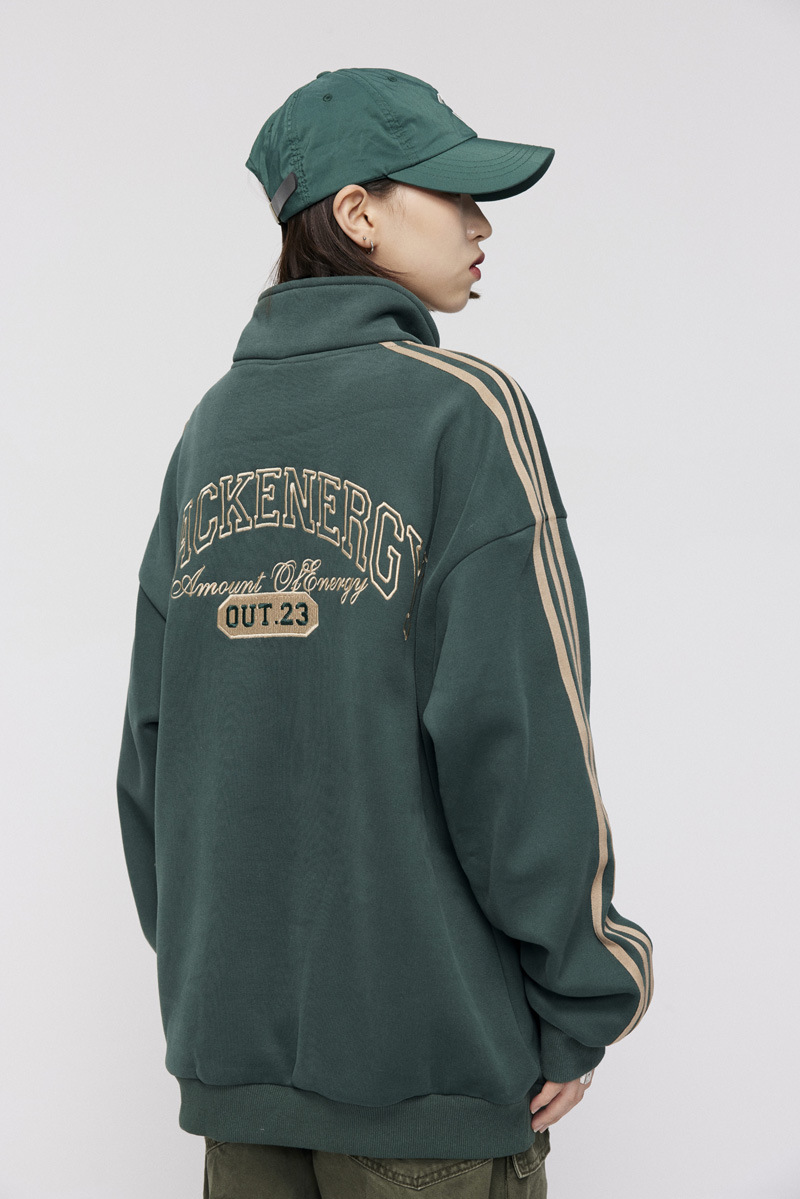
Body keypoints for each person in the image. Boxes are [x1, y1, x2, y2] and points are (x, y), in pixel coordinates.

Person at [116, 67, 654, 1198]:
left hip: (236, 1077)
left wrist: (224, 992)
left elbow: (151, 758)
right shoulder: (463, 410)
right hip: (426, 1079)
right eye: (451, 194)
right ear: (359, 213)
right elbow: (518, 738)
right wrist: (590, 986)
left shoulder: (211, 430)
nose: (480, 224)